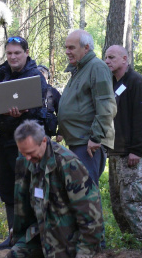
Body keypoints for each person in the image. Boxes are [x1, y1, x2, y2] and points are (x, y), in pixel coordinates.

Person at [0, 36, 47, 249]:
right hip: (5, 140)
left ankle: (33, 240)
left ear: (26, 52)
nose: (13, 57)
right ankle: (14, 236)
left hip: (27, 144)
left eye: (17, 53)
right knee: (7, 189)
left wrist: (22, 111)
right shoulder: (0, 72)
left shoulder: (35, 76)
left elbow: (39, 107)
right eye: (9, 53)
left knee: (27, 190)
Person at [7, 120, 103, 258]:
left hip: (68, 241)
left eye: (30, 152)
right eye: (23, 153)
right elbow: (27, 205)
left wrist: (85, 253)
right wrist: (19, 232)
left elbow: (91, 216)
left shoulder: (68, 164)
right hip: (41, 235)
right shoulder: (27, 161)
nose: (27, 157)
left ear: (44, 141)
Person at [104, 45, 142, 244]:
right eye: (106, 57)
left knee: (132, 201)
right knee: (117, 202)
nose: (107, 61)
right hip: (115, 151)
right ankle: (129, 241)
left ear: (125, 59)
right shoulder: (111, 82)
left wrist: (136, 150)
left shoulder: (137, 82)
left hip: (132, 154)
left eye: (112, 57)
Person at [58, 29, 116, 185]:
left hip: (89, 145)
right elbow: (77, 104)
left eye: (71, 48)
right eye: (66, 47)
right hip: (77, 142)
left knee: (86, 194)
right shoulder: (80, 69)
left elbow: (106, 105)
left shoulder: (97, 67)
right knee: (78, 193)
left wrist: (96, 137)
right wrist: (61, 131)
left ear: (86, 48)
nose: (67, 52)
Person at [37, 64, 62, 142]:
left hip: (46, 131)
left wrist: (60, 132)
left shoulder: (53, 92)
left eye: (42, 73)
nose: (40, 76)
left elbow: (62, 112)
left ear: (47, 77)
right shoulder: (27, 91)